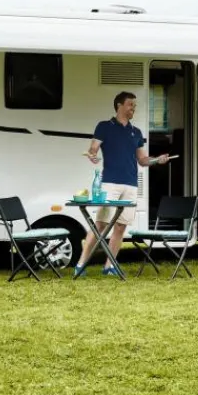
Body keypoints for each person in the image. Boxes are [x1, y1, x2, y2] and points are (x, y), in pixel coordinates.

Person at [74, 91, 171, 277]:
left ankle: (109, 266)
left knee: (120, 227)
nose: (133, 108)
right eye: (130, 104)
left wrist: (157, 160)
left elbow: (142, 160)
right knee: (101, 225)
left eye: (135, 105)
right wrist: (92, 155)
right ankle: (81, 264)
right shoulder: (104, 126)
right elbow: (93, 148)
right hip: (109, 184)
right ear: (119, 105)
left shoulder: (136, 132)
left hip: (131, 185)